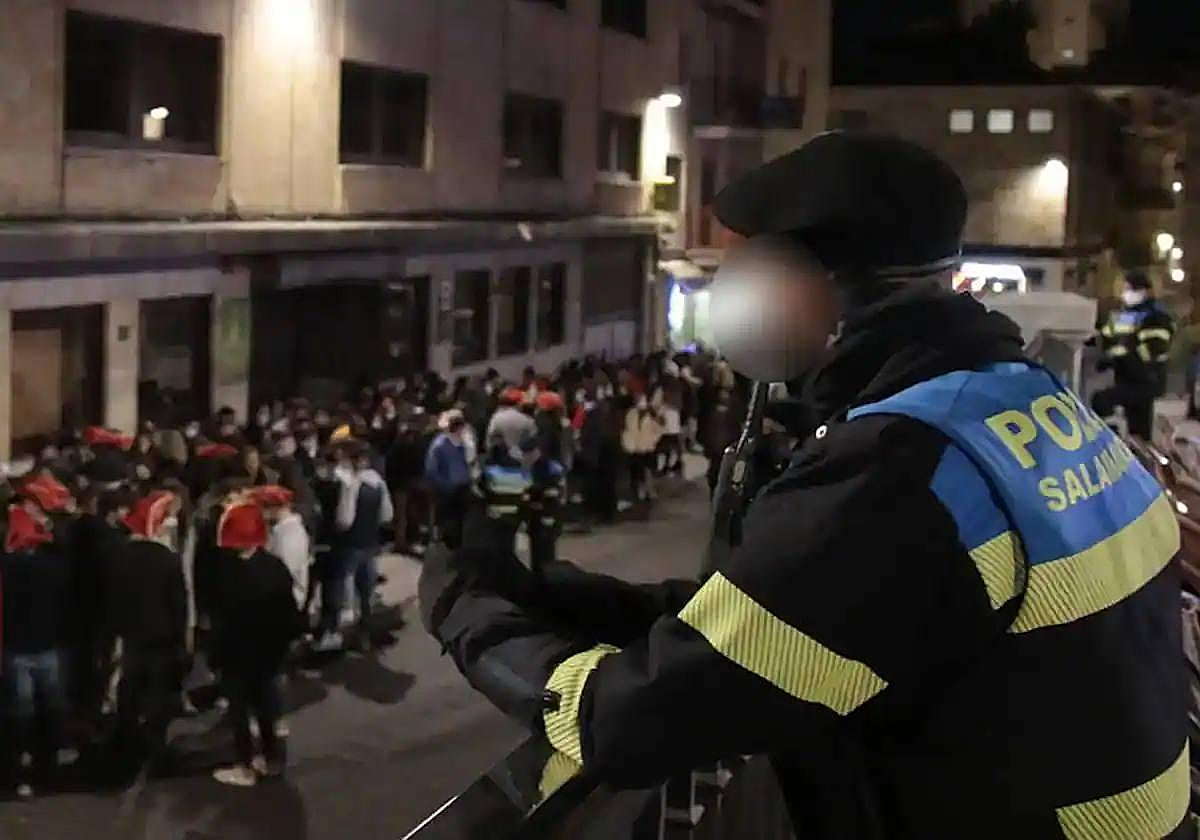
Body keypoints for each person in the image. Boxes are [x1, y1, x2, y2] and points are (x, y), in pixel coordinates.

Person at [419, 132, 1187, 838]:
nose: (736, 288)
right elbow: (792, 624)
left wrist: (466, 612)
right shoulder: (1013, 399)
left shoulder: (899, 468)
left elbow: (628, 724)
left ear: (822, 287)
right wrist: (554, 594)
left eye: (755, 265)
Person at [211, 502, 304, 787]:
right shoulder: (274, 567)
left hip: (238, 656)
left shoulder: (229, 573)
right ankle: (271, 759)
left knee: (239, 712)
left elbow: (223, 619)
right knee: (266, 708)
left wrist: (216, 655)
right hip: (269, 654)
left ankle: (246, 765)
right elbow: (290, 615)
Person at [110, 490, 188, 775]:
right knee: (158, 698)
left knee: (129, 692)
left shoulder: (120, 555)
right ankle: (156, 751)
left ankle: (124, 745)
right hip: (161, 639)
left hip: (132, 636)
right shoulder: (167, 561)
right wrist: (181, 642)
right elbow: (178, 606)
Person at [1, 502, 72, 798]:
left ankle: (20, 766)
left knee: (21, 714)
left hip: (16, 647)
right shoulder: (52, 567)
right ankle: (50, 765)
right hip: (48, 645)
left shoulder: (7, 569)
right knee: (51, 708)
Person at [1093, 270, 1175, 439]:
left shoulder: (1155, 317)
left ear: (1143, 291)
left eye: (1129, 289)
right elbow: (1105, 339)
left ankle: (1116, 445)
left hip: (1146, 380)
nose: (1125, 294)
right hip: (1126, 378)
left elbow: (1154, 348)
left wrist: (1120, 358)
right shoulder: (1121, 316)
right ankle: (1129, 449)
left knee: (1104, 402)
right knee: (1135, 429)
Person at [333, 441, 393, 649]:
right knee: (366, 590)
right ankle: (366, 633)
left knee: (347, 593)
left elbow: (344, 520)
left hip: (350, 544)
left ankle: (349, 636)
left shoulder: (350, 484)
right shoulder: (378, 482)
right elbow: (387, 515)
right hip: (370, 543)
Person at [424, 412, 472, 549]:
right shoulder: (439, 445)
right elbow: (431, 470)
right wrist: (445, 486)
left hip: (462, 488)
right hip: (446, 490)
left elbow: (468, 463)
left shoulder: (463, 443)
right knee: (446, 523)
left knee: (460, 523)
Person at [621, 395, 663, 502]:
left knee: (648, 470)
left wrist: (653, 440)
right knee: (637, 470)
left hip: (648, 446)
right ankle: (640, 491)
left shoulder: (652, 415)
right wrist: (627, 442)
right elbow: (627, 428)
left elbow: (660, 429)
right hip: (635, 446)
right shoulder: (631, 413)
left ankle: (649, 490)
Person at [486, 388, 537, 458]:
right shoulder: (528, 420)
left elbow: (489, 440)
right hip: (521, 460)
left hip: (500, 459)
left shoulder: (496, 417)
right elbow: (533, 442)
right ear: (518, 403)